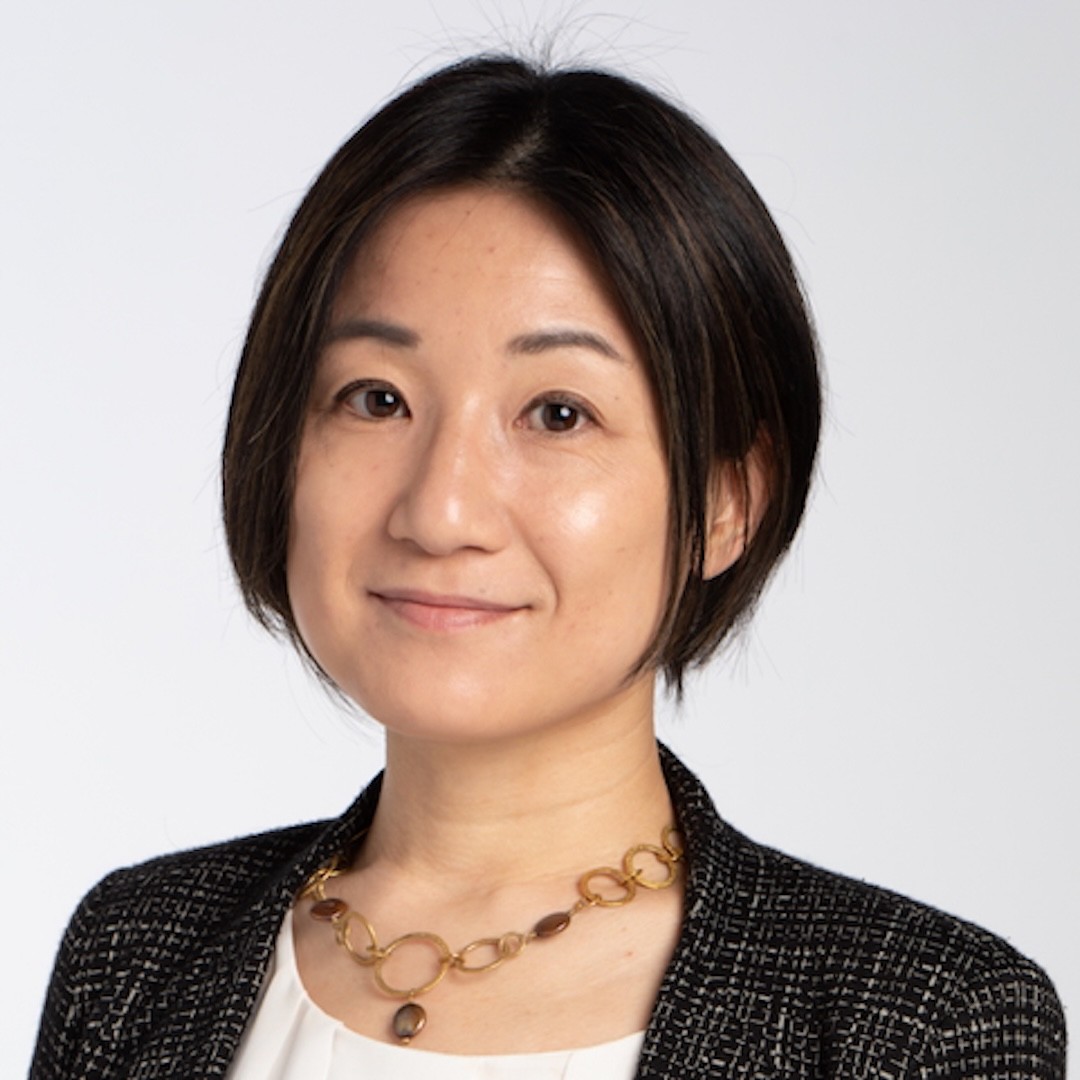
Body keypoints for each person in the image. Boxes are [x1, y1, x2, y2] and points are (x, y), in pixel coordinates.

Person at [30, 55, 1065, 1079]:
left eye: (558, 413)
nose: (440, 511)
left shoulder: (920, 1024)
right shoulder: (136, 959)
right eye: (376, 398)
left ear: (725, 499)